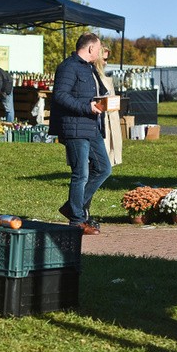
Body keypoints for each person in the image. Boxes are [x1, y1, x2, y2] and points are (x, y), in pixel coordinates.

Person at [48, 32, 113, 235]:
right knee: (81, 174)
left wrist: (106, 101)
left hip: (91, 126)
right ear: (91, 48)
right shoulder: (68, 67)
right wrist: (86, 107)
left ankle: (72, 207)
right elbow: (60, 96)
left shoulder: (90, 68)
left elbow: (93, 94)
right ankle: (77, 220)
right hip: (75, 127)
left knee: (104, 168)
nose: (100, 52)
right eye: (99, 48)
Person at [95, 46, 122, 166]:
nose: (106, 63)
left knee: (109, 155)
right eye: (104, 59)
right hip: (99, 121)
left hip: (109, 119)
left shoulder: (105, 79)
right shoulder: (92, 77)